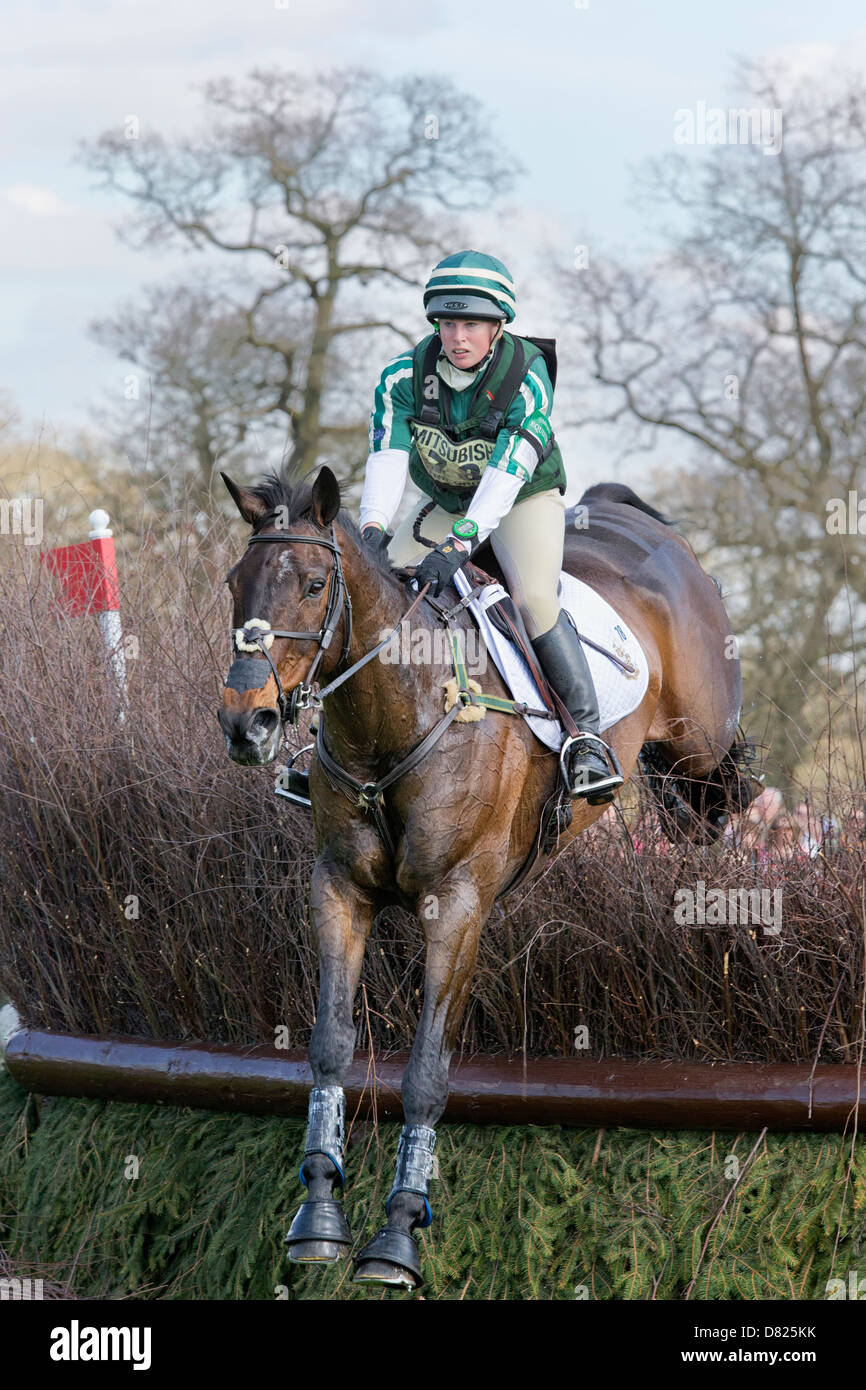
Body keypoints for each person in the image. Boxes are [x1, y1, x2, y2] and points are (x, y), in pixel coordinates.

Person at [359, 249, 622, 803]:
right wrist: (373, 532)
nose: (458, 336)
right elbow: (386, 455)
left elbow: (508, 470)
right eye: (448, 323)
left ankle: (586, 740)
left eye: (471, 323)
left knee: (533, 604)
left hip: (522, 497)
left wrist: (459, 545)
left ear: (498, 324)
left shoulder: (526, 375)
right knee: (377, 591)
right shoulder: (401, 377)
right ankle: (335, 744)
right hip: (448, 499)